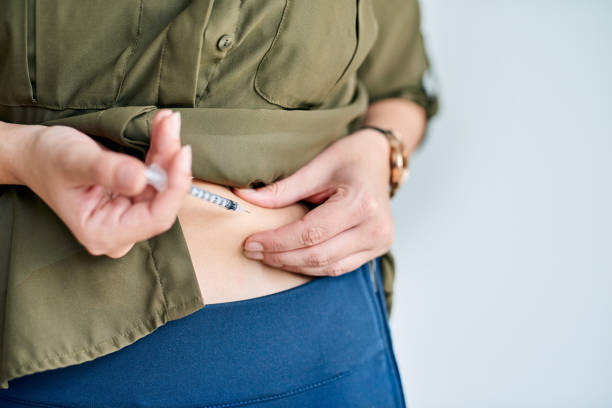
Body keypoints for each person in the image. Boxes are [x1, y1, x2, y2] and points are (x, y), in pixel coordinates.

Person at [0, 0, 437, 406]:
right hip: (62, 363)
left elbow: (398, 87)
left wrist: (383, 152)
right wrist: (22, 155)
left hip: (329, 346)